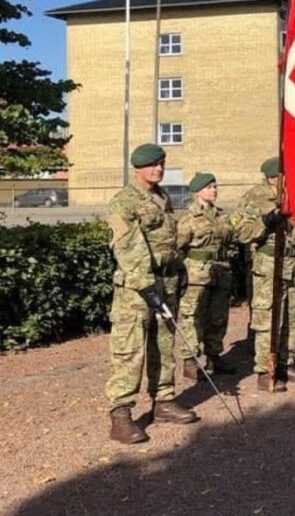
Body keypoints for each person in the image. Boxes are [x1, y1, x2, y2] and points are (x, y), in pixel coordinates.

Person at [105, 143, 197, 444]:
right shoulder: (125, 201)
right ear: (137, 169)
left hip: (165, 283)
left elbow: (169, 241)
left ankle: (164, 401)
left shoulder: (162, 197)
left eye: (161, 164)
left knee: (164, 342)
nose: (158, 169)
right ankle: (121, 416)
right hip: (136, 288)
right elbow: (128, 247)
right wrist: (147, 287)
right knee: (129, 350)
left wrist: (179, 271)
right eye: (152, 166)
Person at [230, 157, 295, 392]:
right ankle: (265, 370)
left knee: (293, 317)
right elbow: (241, 232)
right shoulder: (254, 197)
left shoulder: (292, 195)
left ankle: (286, 362)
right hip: (268, 266)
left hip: (291, 263)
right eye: (281, 177)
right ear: (271, 177)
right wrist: (267, 220)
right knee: (269, 320)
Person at [176, 172, 236, 381]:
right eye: (210, 187)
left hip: (220, 270)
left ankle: (214, 355)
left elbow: (230, 240)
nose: (214, 190)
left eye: (215, 186)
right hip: (196, 274)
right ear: (197, 191)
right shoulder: (188, 217)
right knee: (193, 316)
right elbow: (178, 247)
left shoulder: (221, 215)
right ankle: (190, 360)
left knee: (218, 316)